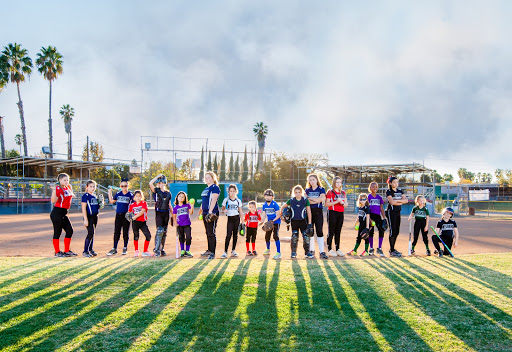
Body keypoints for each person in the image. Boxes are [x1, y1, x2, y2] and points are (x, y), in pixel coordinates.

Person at [281, 185, 313, 259]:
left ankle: (307, 252)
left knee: (306, 237)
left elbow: (309, 211)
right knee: (294, 237)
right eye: (296, 192)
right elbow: (283, 207)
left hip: (303, 221)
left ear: (301, 192)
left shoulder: (305, 200)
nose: (297, 194)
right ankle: (293, 252)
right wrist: (282, 216)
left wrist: (310, 222)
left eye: (299, 192)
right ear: (294, 193)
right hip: (294, 221)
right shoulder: (291, 200)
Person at [50, 173, 76, 257]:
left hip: (64, 213)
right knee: (57, 232)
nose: (66, 181)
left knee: (70, 230)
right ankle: (57, 252)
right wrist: (54, 190)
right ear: (59, 180)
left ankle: (67, 250)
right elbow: (53, 201)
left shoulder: (67, 187)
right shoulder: (58, 188)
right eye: (64, 180)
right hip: (57, 212)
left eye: (67, 180)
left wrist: (70, 188)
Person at [107, 178, 133, 255]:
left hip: (126, 216)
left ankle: (125, 248)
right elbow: (112, 201)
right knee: (116, 232)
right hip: (118, 215)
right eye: (122, 186)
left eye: (125, 186)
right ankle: (114, 248)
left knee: (125, 232)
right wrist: (109, 192)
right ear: (120, 186)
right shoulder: (118, 194)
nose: (124, 187)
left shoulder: (130, 194)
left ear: (128, 186)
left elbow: (134, 204)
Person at [305, 174, 328, 259]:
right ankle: (312, 250)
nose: (312, 181)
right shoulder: (307, 190)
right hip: (309, 212)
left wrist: (311, 199)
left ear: (316, 180)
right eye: (310, 180)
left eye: (313, 179)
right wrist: (316, 200)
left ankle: (321, 251)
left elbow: (322, 199)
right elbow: (306, 201)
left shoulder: (321, 189)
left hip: (318, 212)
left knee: (319, 231)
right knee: (310, 231)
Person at [149, 174, 173, 257]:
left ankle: (161, 248)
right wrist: (157, 176)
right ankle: (156, 249)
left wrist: (173, 216)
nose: (160, 184)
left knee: (164, 232)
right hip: (159, 213)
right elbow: (150, 183)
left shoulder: (168, 193)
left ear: (165, 183)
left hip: (166, 214)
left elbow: (170, 205)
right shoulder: (156, 191)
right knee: (159, 231)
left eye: (162, 183)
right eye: (159, 183)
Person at [199, 171, 221, 259]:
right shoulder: (206, 189)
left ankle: (213, 252)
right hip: (205, 212)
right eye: (206, 177)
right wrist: (200, 211)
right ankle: (209, 250)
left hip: (212, 212)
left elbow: (214, 200)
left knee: (211, 232)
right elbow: (204, 201)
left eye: (208, 177)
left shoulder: (215, 188)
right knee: (207, 232)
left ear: (213, 178)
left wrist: (210, 211)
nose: (206, 179)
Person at [386, 176, 408, 257]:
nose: (396, 183)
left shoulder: (400, 191)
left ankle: (393, 249)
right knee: (392, 230)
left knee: (397, 231)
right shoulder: (388, 191)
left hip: (398, 212)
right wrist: (400, 201)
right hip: (391, 212)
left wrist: (398, 201)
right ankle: (391, 250)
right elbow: (392, 202)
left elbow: (406, 201)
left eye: (397, 182)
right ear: (390, 183)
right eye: (394, 182)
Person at [325, 176, 347, 257]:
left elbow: (346, 204)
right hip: (332, 212)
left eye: (340, 182)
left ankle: (338, 249)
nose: (338, 184)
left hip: (340, 213)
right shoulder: (330, 192)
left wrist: (343, 203)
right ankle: (329, 249)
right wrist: (336, 201)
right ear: (334, 183)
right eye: (337, 182)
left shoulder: (343, 193)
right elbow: (326, 204)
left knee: (338, 232)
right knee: (331, 232)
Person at [221, 184, 243, 258]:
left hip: (237, 219)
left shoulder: (238, 201)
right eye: (231, 191)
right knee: (228, 235)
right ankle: (225, 251)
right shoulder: (226, 200)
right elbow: (222, 210)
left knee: (235, 235)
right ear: (229, 192)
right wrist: (224, 210)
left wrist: (242, 222)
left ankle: (233, 250)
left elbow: (240, 211)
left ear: (236, 192)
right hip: (230, 219)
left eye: (234, 191)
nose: (232, 192)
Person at [128, 190, 152, 257]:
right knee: (136, 236)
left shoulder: (144, 203)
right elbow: (129, 212)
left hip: (142, 222)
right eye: (136, 196)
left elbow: (142, 212)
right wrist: (129, 216)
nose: (138, 197)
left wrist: (134, 217)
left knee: (148, 236)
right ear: (134, 198)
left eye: (139, 196)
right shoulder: (132, 205)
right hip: (135, 223)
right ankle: (136, 251)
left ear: (142, 197)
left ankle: (145, 251)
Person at [261, 189, 282, 260]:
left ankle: (278, 253)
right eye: (266, 196)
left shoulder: (275, 204)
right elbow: (264, 215)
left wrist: (272, 221)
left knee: (275, 235)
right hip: (269, 222)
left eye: (269, 196)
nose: (267, 197)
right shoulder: (264, 205)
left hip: (276, 222)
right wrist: (262, 221)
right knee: (267, 236)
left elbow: (279, 215)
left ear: (272, 197)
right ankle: (268, 249)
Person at [368, 181, 386, 257]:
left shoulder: (380, 197)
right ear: (370, 188)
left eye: (376, 187)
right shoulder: (368, 197)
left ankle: (379, 248)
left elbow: (381, 208)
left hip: (378, 216)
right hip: (371, 216)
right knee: (371, 231)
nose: (375, 188)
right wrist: (369, 218)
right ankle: (371, 248)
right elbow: (367, 208)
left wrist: (384, 218)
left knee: (381, 230)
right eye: (373, 187)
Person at [173, 191, 194, 258]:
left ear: (185, 198)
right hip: (179, 225)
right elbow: (174, 216)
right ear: (177, 198)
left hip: (187, 224)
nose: (181, 198)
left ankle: (187, 250)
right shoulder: (175, 207)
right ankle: (182, 250)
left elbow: (191, 213)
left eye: (183, 197)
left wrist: (192, 205)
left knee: (188, 237)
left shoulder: (187, 205)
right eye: (180, 196)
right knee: (181, 237)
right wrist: (175, 223)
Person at [81, 180, 100, 258]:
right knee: (90, 233)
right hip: (88, 217)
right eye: (91, 186)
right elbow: (83, 208)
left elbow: (96, 207)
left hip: (95, 216)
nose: (92, 188)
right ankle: (85, 251)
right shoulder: (86, 196)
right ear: (87, 187)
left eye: (94, 186)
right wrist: (85, 219)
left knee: (92, 233)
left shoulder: (95, 196)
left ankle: (90, 249)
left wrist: (100, 205)